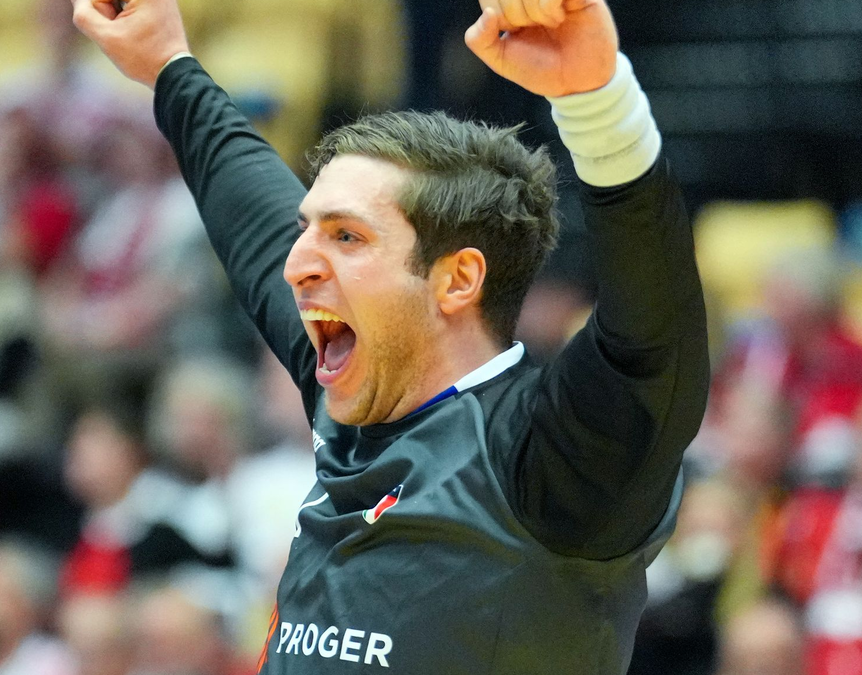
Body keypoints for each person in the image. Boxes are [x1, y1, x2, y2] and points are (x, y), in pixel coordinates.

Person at [72, 0, 709, 672]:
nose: (297, 262)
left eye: (346, 236)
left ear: (457, 279)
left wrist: (597, 101)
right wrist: (169, 66)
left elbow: (652, 339)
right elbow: (249, 212)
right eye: (308, 229)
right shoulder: (356, 381)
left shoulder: (550, 453)